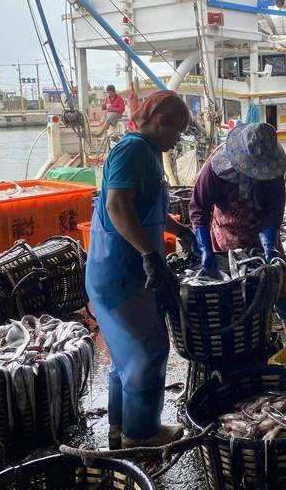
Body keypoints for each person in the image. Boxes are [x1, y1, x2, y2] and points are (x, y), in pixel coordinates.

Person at [86, 91, 196, 450]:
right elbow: (118, 206)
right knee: (148, 350)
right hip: (120, 271)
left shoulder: (147, 154)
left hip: (129, 270)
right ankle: (142, 434)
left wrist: (178, 231)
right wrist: (150, 254)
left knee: (125, 356)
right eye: (177, 132)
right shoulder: (133, 150)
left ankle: (120, 429)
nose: (177, 140)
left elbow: (143, 204)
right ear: (160, 121)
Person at [189, 123, 286, 340]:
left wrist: (269, 242)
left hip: (261, 231)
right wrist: (203, 247)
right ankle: (245, 338)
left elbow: (273, 209)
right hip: (226, 233)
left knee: (280, 282)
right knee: (235, 292)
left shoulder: (273, 170)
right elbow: (199, 207)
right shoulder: (216, 168)